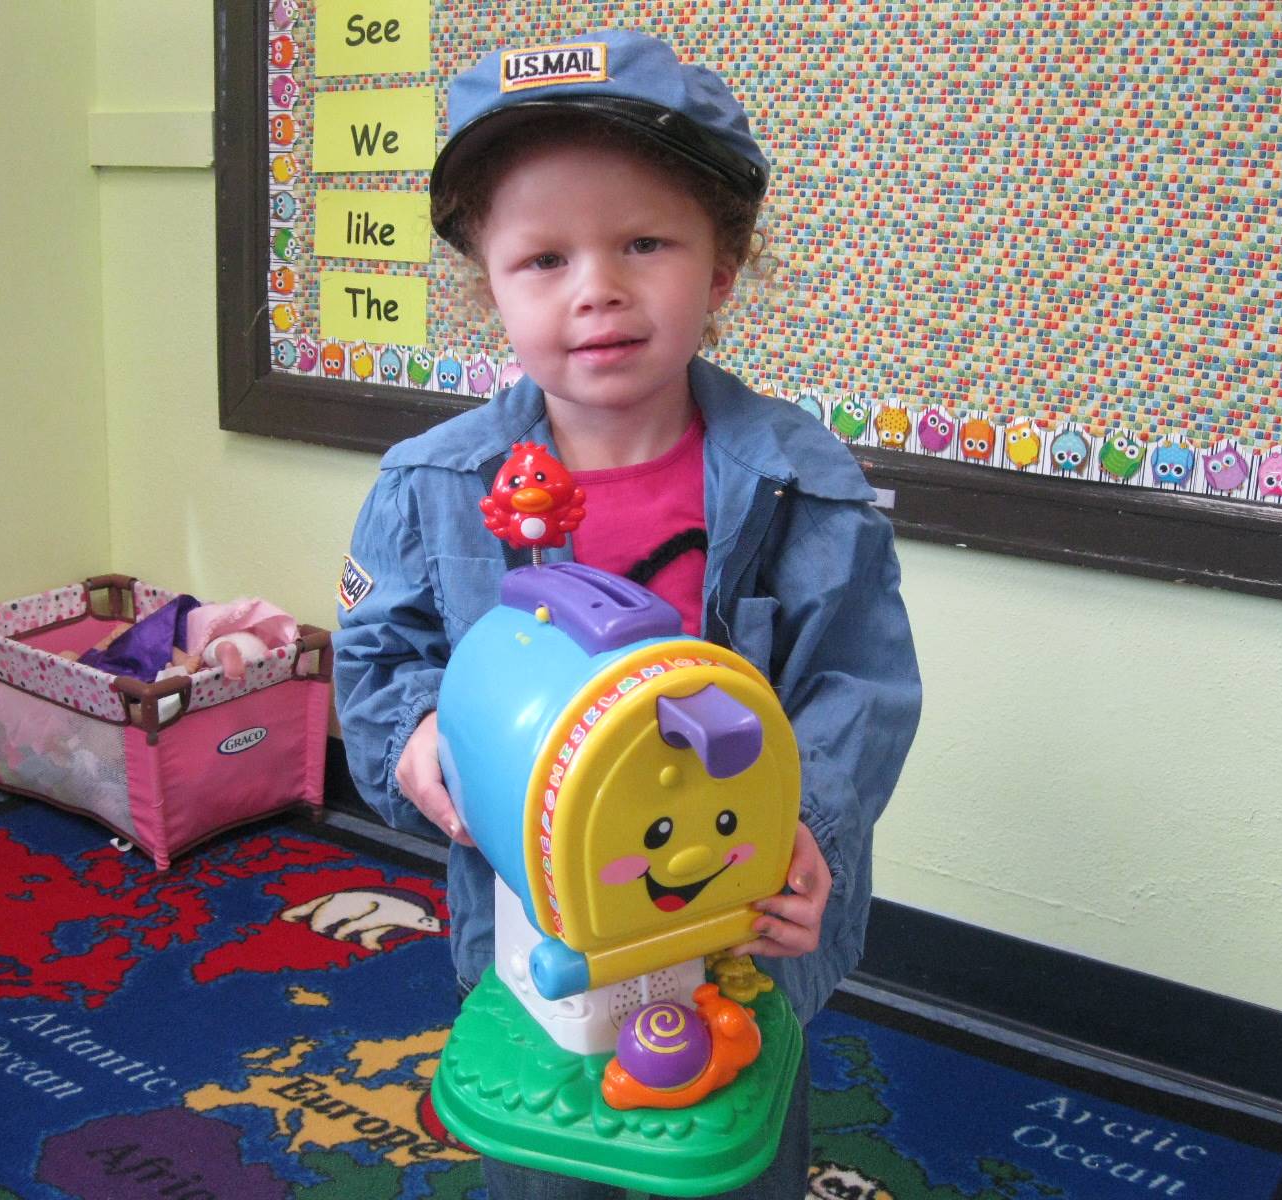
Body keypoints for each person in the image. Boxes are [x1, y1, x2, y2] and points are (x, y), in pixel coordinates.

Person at [332, 28, 922, 1198]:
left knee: (733, 1147)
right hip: (531, 925)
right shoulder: (428, 485)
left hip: (736, 922)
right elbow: (376, 657)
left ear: (718, 269)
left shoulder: (803, 481)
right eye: (542, 259)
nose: (594, 287)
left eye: (642, 243)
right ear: (489, 285)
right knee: (545, 1147)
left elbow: (857, 683)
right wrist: (417, 734)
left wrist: (802, 825)